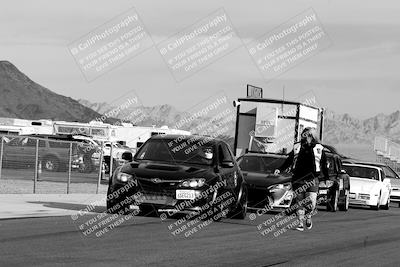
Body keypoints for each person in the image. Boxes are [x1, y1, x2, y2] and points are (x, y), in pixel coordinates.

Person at [274, 127, 328, 231]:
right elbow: (289, 160)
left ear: (312, 136)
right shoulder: (297, 146)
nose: (306, 137)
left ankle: (308, 216)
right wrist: (280, 169)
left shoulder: (319, 148)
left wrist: (326, 178)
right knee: (299, 201)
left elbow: (324, 164)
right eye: (305, 134)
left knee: (311, 201)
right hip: (298, 178)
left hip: (312, 179)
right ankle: (300, 223)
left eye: (309, 135)